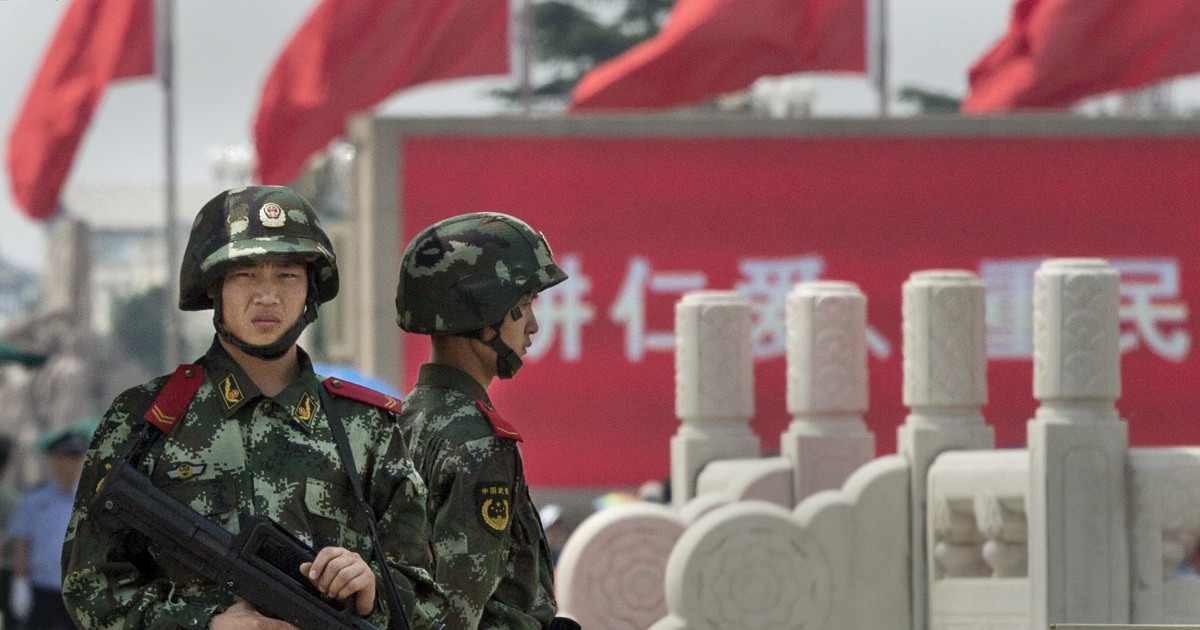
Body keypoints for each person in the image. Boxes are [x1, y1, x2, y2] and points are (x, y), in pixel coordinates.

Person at [62, 186, 444, 629]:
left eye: (287, 276)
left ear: (310, 292)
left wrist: (372, 588)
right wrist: (202, 624)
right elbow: (89, 586)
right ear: (214, 288)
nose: (267, 296)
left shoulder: (364, 426)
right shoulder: (145, 420)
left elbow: (428, 595)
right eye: (245, 275)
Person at [395, 212, 578, 629]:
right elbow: (456, 616)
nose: (533, 325)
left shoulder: (405, 418)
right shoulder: (479, 444)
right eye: (523, 305)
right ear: (483, 313)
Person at [9, 422, 92, 630]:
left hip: (77, 590)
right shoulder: (35, 498)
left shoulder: (88, 500)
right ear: (55, 459)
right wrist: (20, 584)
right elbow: (21, 544)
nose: (74, 464)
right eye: (68, 457)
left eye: (78, 457)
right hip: (41, 588)